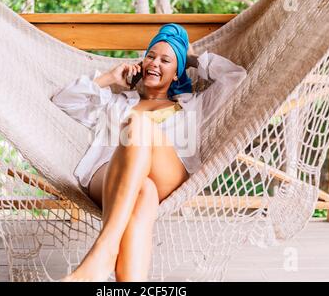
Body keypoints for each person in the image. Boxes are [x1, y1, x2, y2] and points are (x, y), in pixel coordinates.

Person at [51, 23, 247, 281]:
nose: (154, 63)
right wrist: (110, 78)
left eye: (165, 60)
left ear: (177, 72)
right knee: (144, 192)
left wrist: (190, 59)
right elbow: (64, 99)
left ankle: (105, 250)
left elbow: (236, 77)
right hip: (109, 174)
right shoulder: (115, 103)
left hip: (166, 170)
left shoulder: (192, 107)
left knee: (140, 125)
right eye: (151, 56)